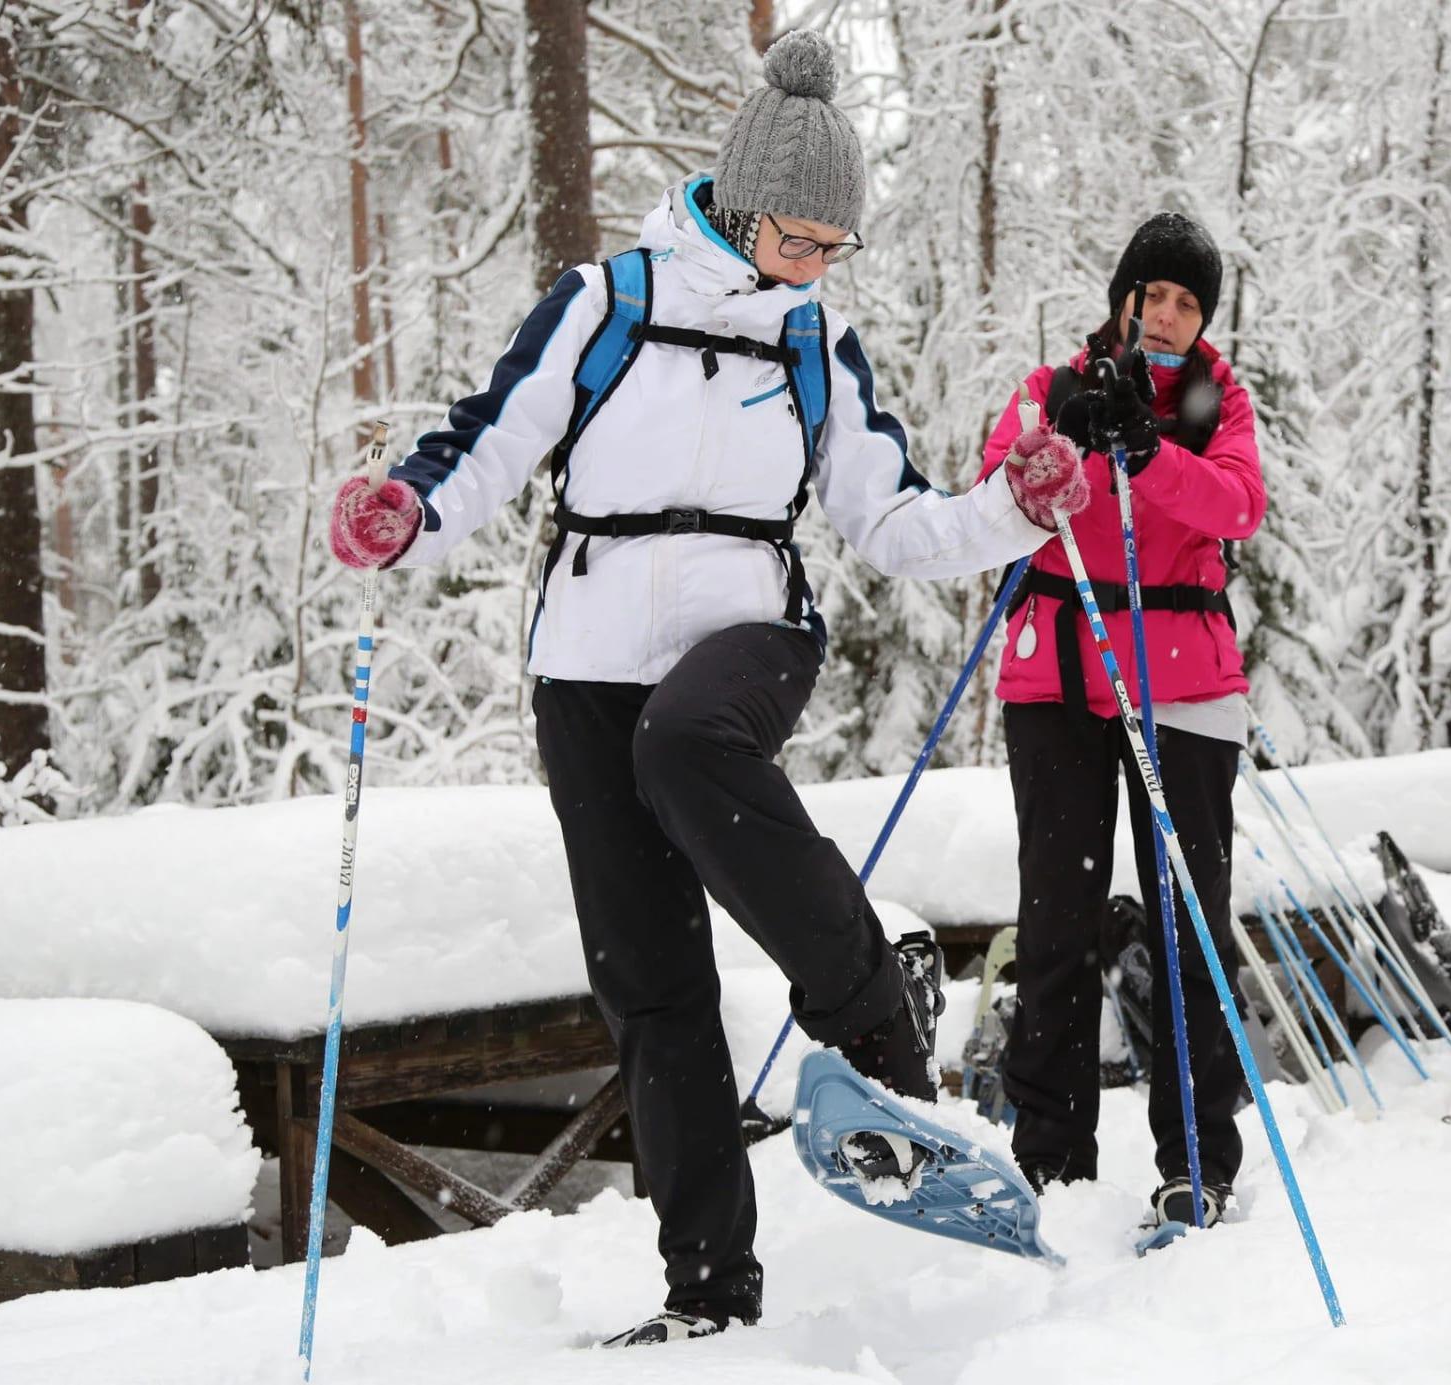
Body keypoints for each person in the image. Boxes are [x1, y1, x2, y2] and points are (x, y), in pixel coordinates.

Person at [326, 30, 1080, 1346]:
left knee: (686, 745)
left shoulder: (812, 343)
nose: (816, 266)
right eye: (800, 238)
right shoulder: (604, 301)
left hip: (746, 632)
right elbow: (486, 446)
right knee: (652, 985)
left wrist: (1011, 508)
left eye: (834, 248)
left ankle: (873, 1019)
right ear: (739, 204)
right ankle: (709, 1293)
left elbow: (894, 521)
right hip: (587, 659)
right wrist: (405, 515)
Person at [977, 212, 1266, 1229]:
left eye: (1188, 302)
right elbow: (997, 490)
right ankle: (1047, 1152)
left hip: (1181, 688)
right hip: (1058, 674)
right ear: (1124, 296)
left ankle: (1196, 1155)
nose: (1168, 315)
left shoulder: (1215, 399)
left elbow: (1237, 505)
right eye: (1154, 294)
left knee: (1189, 917)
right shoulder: (1054, 384)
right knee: (1056, 916)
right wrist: (1062, 454)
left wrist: (1147, 453)